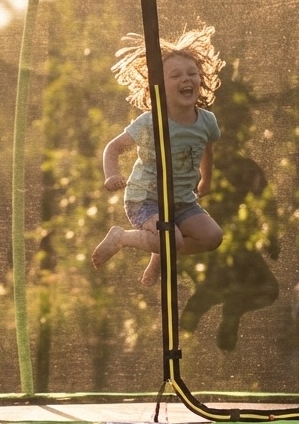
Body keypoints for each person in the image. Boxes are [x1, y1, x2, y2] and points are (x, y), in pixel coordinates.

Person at [91, 26, 226, 286]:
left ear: (201, 79)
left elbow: (207, 150)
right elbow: (113, 148)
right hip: (145, 199)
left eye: (192, 73)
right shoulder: (151, 122)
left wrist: (206, 180)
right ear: (160, 86)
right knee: (172, 239)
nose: (186, 79)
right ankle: (122, 238)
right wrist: (111, 175)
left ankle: (161, 252)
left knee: (212, 237)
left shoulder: (207, 121)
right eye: (176, 75)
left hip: (181, 200)